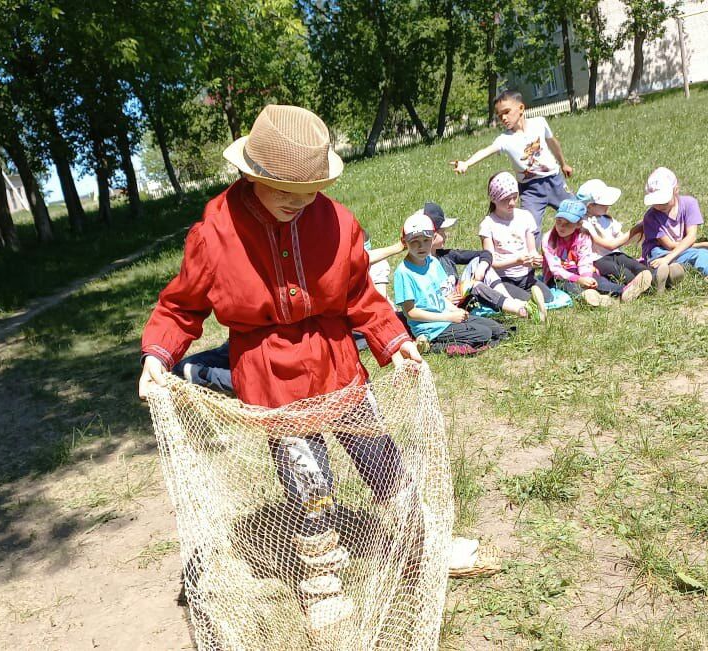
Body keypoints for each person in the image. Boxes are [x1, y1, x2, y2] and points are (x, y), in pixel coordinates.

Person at [138, 105, 423, 629]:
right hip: (272, 378)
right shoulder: (216, 233)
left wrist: (393, 339)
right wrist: (159, 354)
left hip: (338, 363)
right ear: (251, 176)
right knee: (308, 481)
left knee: (382, 458)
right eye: (284, 189)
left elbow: (361, 294)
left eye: (309, 189)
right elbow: (181, 306)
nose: (299, 200)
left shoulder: (336, 222)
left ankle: (418, 544)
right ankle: (322, 582)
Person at [450, 89, 573, 239]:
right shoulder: (504, 139)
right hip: (531, 190)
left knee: (577, 213)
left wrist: (563, 164)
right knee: (531, 229)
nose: (503, 118)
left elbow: (553, 144)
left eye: (507, 112)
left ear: (521, 108)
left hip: (555, 182)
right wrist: (467, 163)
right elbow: (486, 151)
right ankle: (532, 260)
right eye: (500, 115)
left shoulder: (539, 123)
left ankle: (588, 249)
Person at [393, 212, 511, 356]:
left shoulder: (433, 263)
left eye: (426, 240)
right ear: (405, 242)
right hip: (430, 327)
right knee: (484, 334)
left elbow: (440, 296)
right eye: (414, 242)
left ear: (433, 238)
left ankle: (465, 343)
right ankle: (431, 345)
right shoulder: (403, 272)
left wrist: (454, 311)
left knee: (498, 330)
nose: (421, 246)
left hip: (446, 317)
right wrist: (448, 317)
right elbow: (411, 313)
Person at [423, 202, 542, 321]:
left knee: (478, 262)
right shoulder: (421, 265)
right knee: (475, 285)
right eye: (442, 232)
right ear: (431, 236)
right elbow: (423, 295)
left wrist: (482, 267)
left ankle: (512, 303)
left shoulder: (447, 255)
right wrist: (445, 301)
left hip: (460, 298)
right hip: (447, 309)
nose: (446, 235)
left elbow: (485, 253)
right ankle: (524, 310)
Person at [542, 200, 654, 307]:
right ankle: (588, 296)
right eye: (559, 222)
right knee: (568, 285)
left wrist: (586, 277)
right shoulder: (549, 239)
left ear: (579, 225)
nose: (561, 227)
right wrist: (579, 280)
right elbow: (556, 270)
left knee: (599, 282)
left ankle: (624, 292)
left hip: (579, 272)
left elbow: (584, 261)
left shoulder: (583, 237)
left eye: (568, 224)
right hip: (558, 277)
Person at [575, 178, 674, 293]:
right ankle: (642, 286)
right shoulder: (585, 224)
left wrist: (640, 229)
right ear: (590, 206)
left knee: (635, 266)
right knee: (620, 272)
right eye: (604, 204)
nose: (608, 205)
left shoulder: (607, 219)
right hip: (599, 259)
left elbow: (621, 240)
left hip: (617, 254)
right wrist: (634, 230)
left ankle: (660, 278)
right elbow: (609, 245)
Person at [478, 171, 553, 311]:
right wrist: (517, 261)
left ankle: (536, 301)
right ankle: (530, 304)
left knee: (549, 297)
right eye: (506, 199)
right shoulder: (488, 224)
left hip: (526, 276)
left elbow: (532, 250)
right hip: (504, 279)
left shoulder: (525, 216)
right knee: (525, 299)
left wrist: (535, 259)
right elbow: (491, 262)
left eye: (514, 197)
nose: (512, 203)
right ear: (494, 199)